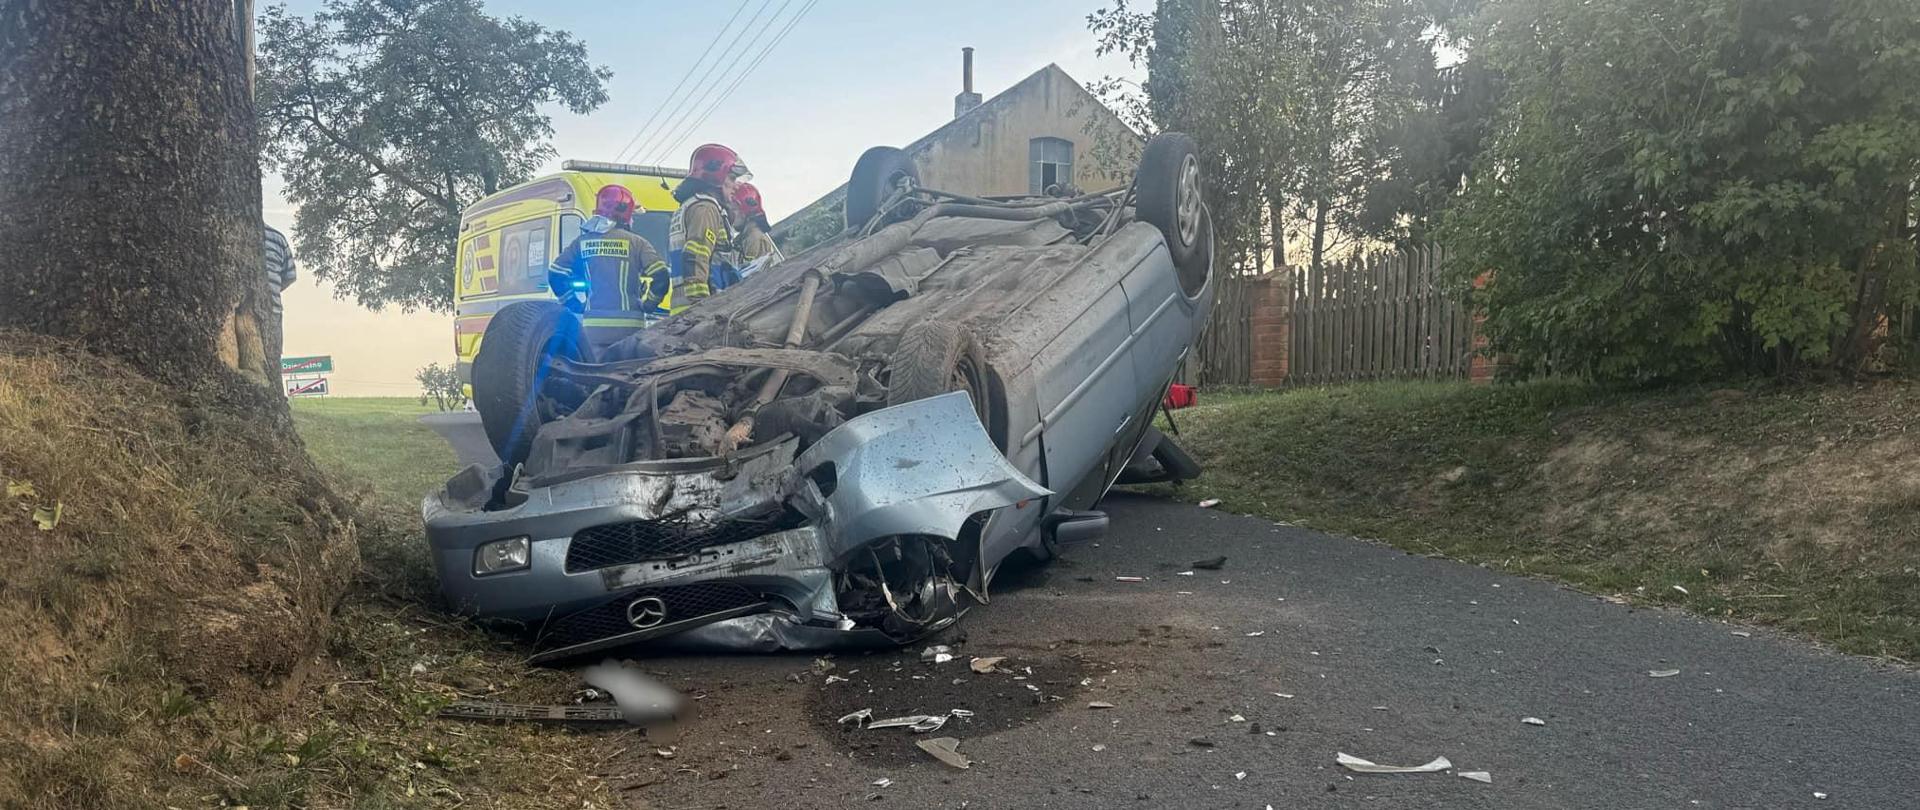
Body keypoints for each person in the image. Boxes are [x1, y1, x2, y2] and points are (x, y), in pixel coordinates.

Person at [549, 184, 670, 346]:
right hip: (630, 329)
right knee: (627, 369)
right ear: (626, 214)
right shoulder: (637, 243)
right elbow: (661, 276)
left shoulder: (582, 243)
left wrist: (574, 304)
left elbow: (555, 273)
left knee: (594, 370)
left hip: (593, 329)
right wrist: (649, 304)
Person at [666, 143, 746, 312]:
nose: (735, 185)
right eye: (732, 178)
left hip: (684, 306)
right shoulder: (706, 208)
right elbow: (696, 255)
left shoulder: (690, 205)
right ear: (716, 176)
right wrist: (701, 306)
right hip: (698, 308)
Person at [263, 224, 296, 363]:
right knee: (272, 360)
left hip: (241, 309)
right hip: (273, 309)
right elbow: (290, 276)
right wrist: (273, 290)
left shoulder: (229, 229)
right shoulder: (278, 238)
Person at [731, 181, 780, 265]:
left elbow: (754, 274)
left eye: (734, 209)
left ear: (745, 211)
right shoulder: (745, 238)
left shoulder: (755, 239)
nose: (730, 214)